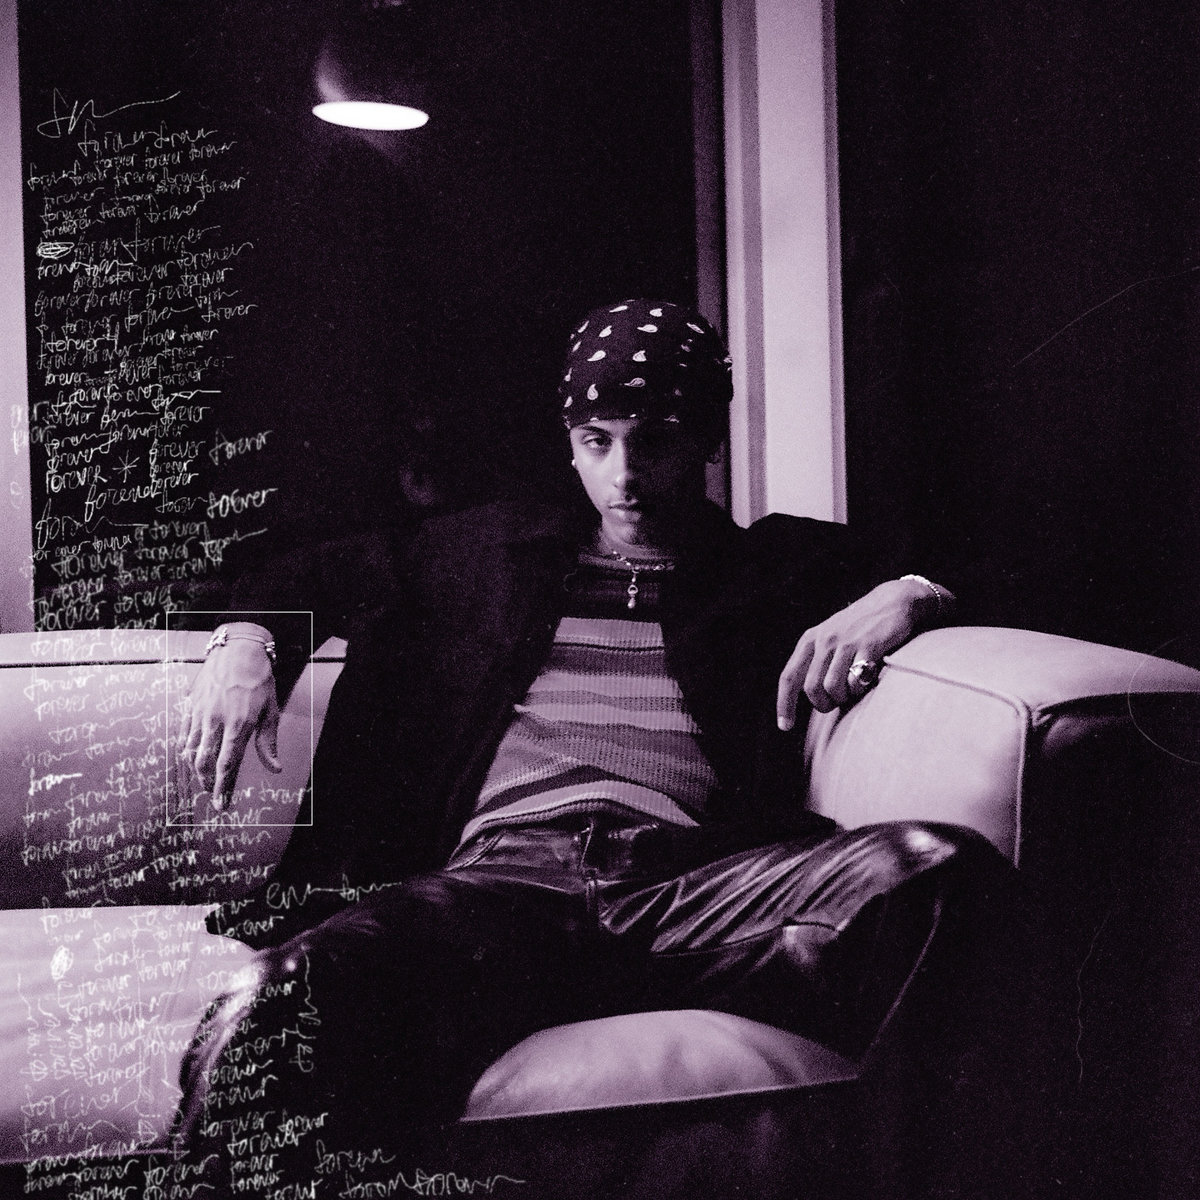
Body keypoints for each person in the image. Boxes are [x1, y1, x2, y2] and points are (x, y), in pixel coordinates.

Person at [171, 299, 1043, 1196]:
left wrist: (912, 592)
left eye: (654, 441)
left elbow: (1031, 570)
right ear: (570, 445)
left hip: (696, 888)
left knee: (941, 874)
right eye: (597, 442)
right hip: (502, 889)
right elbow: (306, 570)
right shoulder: (486, 554)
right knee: (280, 1004)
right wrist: (247, 641)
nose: (625, 476)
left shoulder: (775, 567)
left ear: (707, 439)